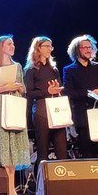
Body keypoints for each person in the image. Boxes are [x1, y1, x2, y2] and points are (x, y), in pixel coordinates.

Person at [0, 35, 30, 195]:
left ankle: (12, 190)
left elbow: (23, 88)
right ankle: (9, 191)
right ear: (1, 47)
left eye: (13, 44)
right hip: (1, 106)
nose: (13, 46)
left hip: (15, 105)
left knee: (14, 147)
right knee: (4, 146)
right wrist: (6, 87)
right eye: (9, 44)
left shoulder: (17, 66)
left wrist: (19, 87)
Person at [24, 36, 68, 176]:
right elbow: (28, 93)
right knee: (43, 150)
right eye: (47, 46)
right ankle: (41, 182)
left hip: (56, 111)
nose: (50, 49)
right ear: (38, 48)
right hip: (41, 112)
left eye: (51, 46)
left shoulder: (54, 69)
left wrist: (58, 89)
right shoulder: (31, 69)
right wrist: (47, 91)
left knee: (62, 149)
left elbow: (59, 87)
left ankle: (62, 180)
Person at [62, 35, 98, 158]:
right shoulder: (69, 70)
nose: (88, 50)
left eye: (89, 47)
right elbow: (68, 92)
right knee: (86, 151)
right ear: (76, 50)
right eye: (84, 47)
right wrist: (90, 93)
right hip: (81, 116)